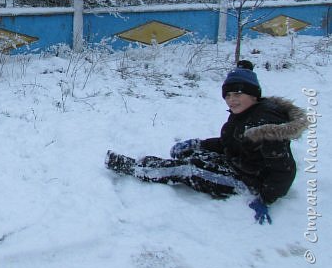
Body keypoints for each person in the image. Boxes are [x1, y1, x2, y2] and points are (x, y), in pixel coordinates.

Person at [105, 60, 307, 224]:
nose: (231, 100)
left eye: (238, 93)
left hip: (247, 182)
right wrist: (198, 144)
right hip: (238, 165)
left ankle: (139, 168)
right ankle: (182, 157)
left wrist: (266, 197)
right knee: (192, 155)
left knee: (189, 170)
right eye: (228, 95)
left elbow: (284, 170)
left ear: (254, 95)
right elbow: (230, 143)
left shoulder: (265, 126)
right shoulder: (245, 114)